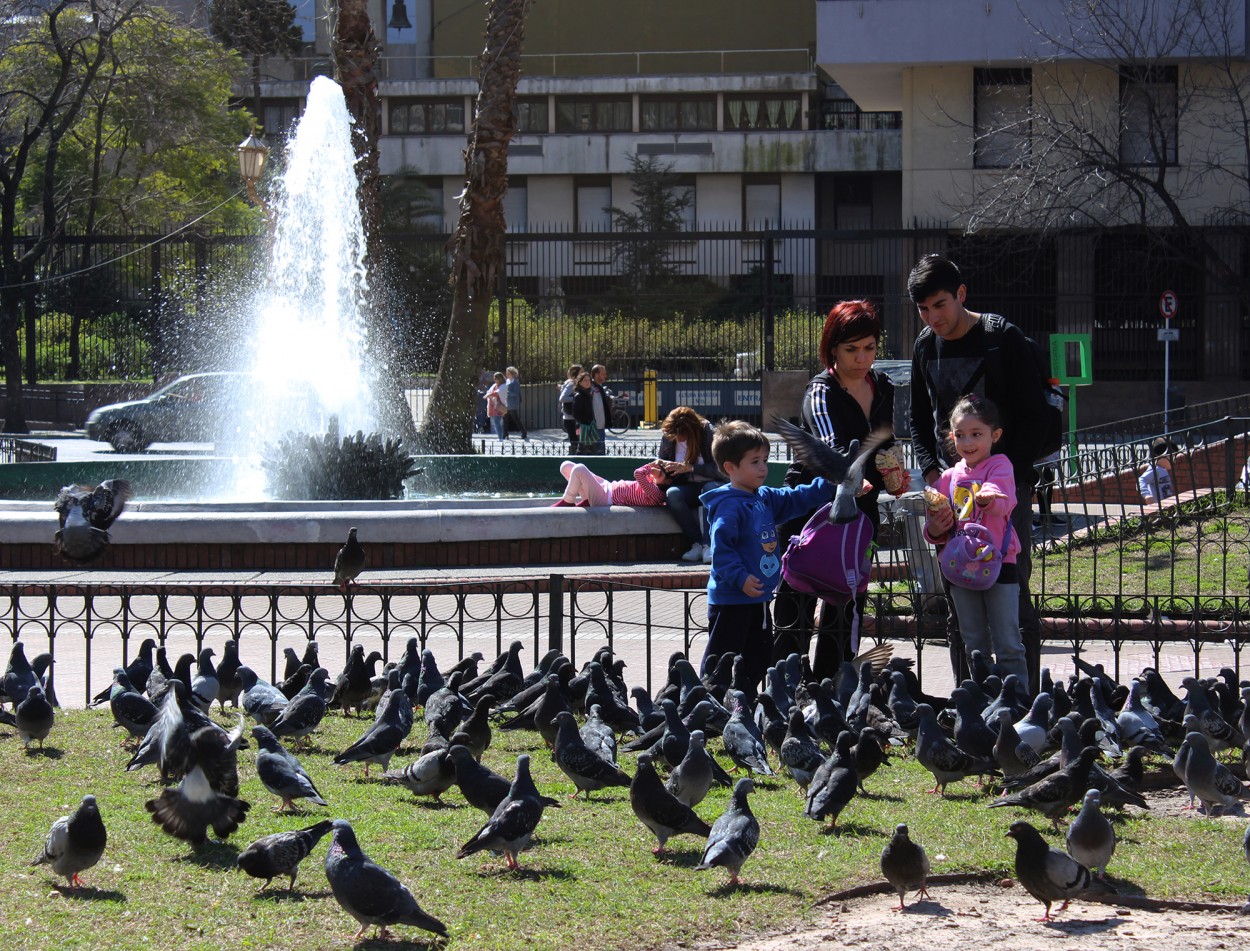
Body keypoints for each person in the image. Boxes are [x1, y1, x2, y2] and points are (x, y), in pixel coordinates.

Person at [907, 253, 1049, 693]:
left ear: (961, 295)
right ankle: (967, 695)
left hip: (1003, 494)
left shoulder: (1000, 337)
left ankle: (1022, 700)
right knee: (958, 596)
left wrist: (1002, 477)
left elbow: (1036, 415)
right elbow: (917, 418)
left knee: (1012, 593)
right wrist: (934, 477)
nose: (933, 317)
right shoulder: (925, 346)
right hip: (949, 494)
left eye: (940, 305)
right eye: (923, 309)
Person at [774, 299, 907, 678]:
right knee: (796, 601)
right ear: (832, 347)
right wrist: (848, 475)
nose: (862, 358)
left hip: (861, 508)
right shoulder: (820, 390)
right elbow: (831, 445)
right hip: (810, 506)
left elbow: (884, 442)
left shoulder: (881, 384)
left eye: (869, 348)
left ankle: (834, 686)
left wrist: (893, 473)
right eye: (851, 349)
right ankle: (786, 688)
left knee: (848, 598)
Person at [701, 420, 834, 688]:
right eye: (754, 461)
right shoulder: (728, 507)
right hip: (732, 599)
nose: (763, 467)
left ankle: (744, 702)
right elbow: (722, 551)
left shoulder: (763, 497)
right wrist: (740, 578)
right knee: (723, 658)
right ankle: (709, 701)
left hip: (759, 596)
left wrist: (833, 483)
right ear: (730, 468)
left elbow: (796, 498)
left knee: (758, 655)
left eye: (765, 459)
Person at [923, 395, 1028, 683]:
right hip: (959, 566)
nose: (967, 442)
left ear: (995, 435)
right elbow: (936, 527)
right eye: (960, 435)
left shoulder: (1000, 465)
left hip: (1000, 562)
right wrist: (934, 529)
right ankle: (982, 702)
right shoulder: (948, 477)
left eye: (976, 434)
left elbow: (1002, 498)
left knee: (1007, 641)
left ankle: (1017, 701)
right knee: (974, 643)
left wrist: (989, 498)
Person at [656, 406, 723, 564]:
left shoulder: (708, 433)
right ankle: (697, 543)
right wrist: (663, 472)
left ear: (692, 430)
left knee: (708, 490)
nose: (677, 439)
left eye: (681, 435)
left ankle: (709, 545)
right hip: (688, 486)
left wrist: (690, 467)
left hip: (711, 484)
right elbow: (663, 463)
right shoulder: (669, 436)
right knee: (673, 494)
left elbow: (721, 470)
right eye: (674, 435)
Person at [551, 460, 671, 507]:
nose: (656, 472)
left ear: (667, 481)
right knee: (566, 466)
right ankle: (587, 499)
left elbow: (638, 473)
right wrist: (657, 470)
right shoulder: (654, 483)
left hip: (606, 498)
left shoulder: (656, 493)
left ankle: (568, 501)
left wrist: (651, 468)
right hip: (608, 486)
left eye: (661, 473)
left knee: (579, 469)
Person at [574, 363, 611, 455]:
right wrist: (587, 422)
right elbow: (577, 413)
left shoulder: (598, 389)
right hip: (591, 427)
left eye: (588, 380)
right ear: (596, 375)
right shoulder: (589, 391)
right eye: (603, 374)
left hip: (598, 426)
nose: (605, 376)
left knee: (597, 452)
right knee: (592, 452)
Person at [1138, 436, 1177, 503]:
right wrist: (1147, 495)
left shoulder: (1163, 470)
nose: (1174, 460)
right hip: (1156, 506)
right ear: (1161, 456)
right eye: (1171, 457)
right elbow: (1141, 480)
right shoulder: (1155, 469)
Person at [558, 364, 582, 454]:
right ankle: (574, 457)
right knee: (575, 441)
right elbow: (562, 398)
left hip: (575, 418)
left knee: (577, 439)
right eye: (581, 372)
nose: (583, 373)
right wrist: (576, 398)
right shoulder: (571, 383)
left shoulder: (575, 383)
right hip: (571, 419)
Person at [503, 366, 529, 440]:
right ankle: (505, 433)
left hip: (513, 403)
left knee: (515, 418)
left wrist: (508, 393)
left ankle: (523, 432)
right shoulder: (507, 381)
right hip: (507, 402)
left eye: (508, 373)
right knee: (505, 418)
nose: (506, 374)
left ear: (512, 374)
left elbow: (516, 393)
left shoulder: (515, 382)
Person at [485, 371, 508, 441]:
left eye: (496, 378)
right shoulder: (495, 385)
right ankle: (500, 436)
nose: (495, 380)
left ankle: (500, 437)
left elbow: (498, 392)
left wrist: (490, 394)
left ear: (500, 378)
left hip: (499, 406)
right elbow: (489, 391)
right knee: (496, 422)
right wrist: (489, 394)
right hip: (493, 406)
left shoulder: (504, 385)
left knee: (497, 422)